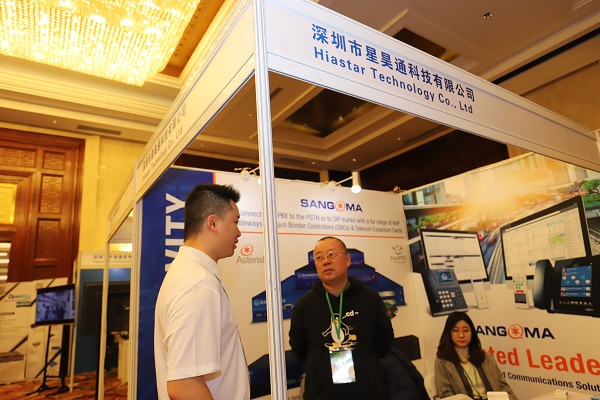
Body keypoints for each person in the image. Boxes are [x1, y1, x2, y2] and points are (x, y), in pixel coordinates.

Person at [154, 184, 250, 400]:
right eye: (235, 222)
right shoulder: (197, 283)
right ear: (213, 223)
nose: (239, 232)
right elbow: (184, 386)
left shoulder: (189, 274)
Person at [289, 236, 394, 399]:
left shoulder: (370, 299)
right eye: (319, 257)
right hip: (322, 394)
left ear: (347, 260)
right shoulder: (304, 305)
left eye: (332, 254)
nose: (326, 261)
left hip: (368, 391)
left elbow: (384, 341)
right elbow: (299, 347)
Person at [434, 311, 517, 400]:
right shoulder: (442, 362)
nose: (461, 335)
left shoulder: (486, 357)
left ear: (472, 333)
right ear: (449, 333)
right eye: (456, 330)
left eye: (466, 330)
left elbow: (504, 388)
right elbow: (447, 396)